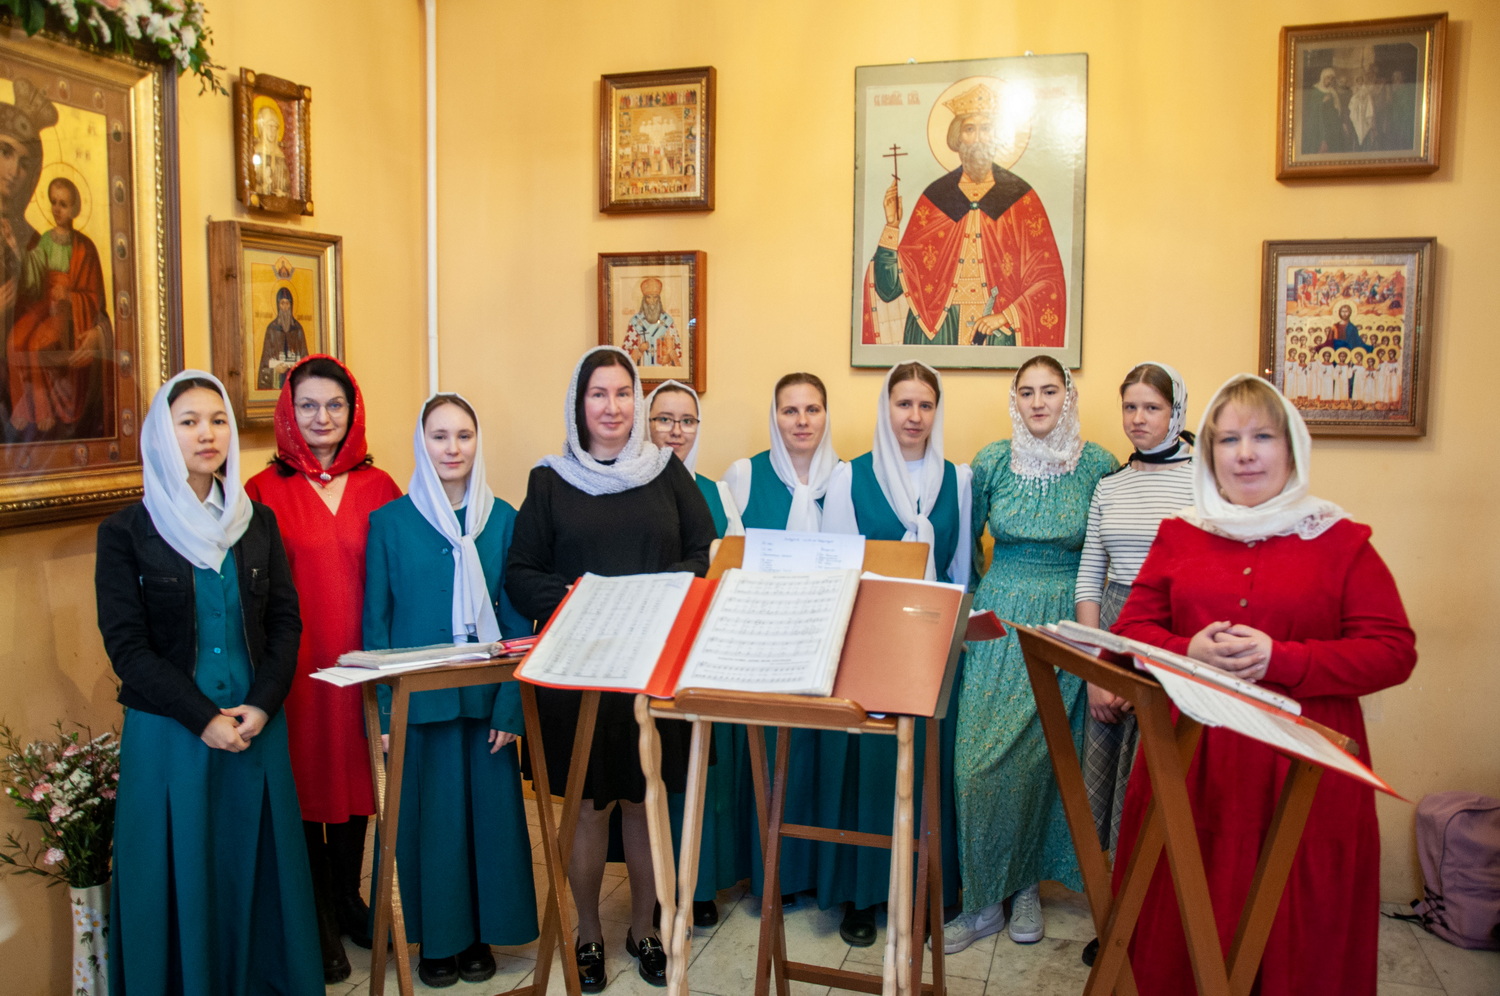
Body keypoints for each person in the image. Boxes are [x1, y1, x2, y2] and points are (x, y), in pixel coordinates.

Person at [1110, 374, 1416, 995]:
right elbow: (1130, 631)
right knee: (1187, 921)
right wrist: (1187, 650)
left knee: (1295, 942)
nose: (1245, 454)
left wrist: (1284, 659)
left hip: (1304, 770)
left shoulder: (1341, 541)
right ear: (1209, 455)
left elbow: (1392, 652)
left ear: (1292, 448)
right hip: (1194, 765)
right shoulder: (1179, 534)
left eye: (1263, 437)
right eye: (1228, 440)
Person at [95, 370, 321, 994]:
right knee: (179, 869)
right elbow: (127, 648)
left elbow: (285, 622)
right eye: (189, 422)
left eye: (218, 420)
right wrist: (203, 719)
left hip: (255, 729)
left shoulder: (257, 522)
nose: (207, 434)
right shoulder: (126, 533)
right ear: (161, 435)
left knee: (257, 865)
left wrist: (263, 704)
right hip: (171, 736)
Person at [506, 346, 716, 991]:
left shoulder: (665, 472)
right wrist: (581, 600)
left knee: (645, 799)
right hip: (581, 667)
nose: (612, 406)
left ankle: (645, 929)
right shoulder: (549, 480)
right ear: (579, 403)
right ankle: (589, 932)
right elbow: (521, 573)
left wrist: (653, 596)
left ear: (637, 402)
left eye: (624, 393)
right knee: (589, 804)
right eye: (598, 393)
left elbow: (704, 553)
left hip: (653, 662)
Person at [361, 392, 537, 989]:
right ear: (422, 443)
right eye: (439, 436)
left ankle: (482, 934)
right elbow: (376, 627)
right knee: (431, 825)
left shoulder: (503, 519)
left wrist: (511, 707)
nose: (452, 448)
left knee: (488, 824)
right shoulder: (390, 523)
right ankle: (437, 940)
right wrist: (386, 711)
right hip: (419, 703)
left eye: (463, 435)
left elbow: (517, 623)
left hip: (486, 700)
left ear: (477, 442)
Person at [942, 355, 1117, 953]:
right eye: (1026, 392)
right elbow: (966, 548)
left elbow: (1106, 552)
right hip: (999, 618)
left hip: (1068, 621)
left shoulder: (1098, 465)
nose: (1038, 402)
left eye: (1049, 391)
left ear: (1068, 397)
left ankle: (1023, 892)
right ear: (1014, 399)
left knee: (1043, 763)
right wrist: (970, 616)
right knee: (976, 763)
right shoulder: (992, 461)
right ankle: (980, 898)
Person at [244, 355, 402, 980]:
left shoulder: (380, 486)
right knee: (306, 784)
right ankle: (316, 917)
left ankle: (347, 897)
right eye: (307, 405)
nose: (322, 417)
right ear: (288, 412)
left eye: (335, 405)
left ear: (353, 411)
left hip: (363, 664)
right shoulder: (261, 490)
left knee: (360, 780)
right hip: (296, 670)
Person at [821, 361, 971, 945]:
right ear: (886, 408)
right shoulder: (849, 477)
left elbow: (960, 569)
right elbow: (838, 568)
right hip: (872, 641)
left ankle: (926, 889)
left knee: (929, 766)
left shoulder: (957, 479)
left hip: (934, 642)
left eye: (925, 405)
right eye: (904, 404)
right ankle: (863, 894)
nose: (914, 416)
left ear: (937, 411)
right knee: (874, 769)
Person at [1071, 362, 1195, 966]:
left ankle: (1164, 927)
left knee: (1159, 786)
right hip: (1115, 636)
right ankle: (1120, 922)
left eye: (1152, 407)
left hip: (1177, 638)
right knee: (1113, 789)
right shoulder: (1111, 486)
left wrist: (1160, 661)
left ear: (1177, 411)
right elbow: (1089, 577)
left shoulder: (1205, 480)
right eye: (1130, 407)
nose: (1138, 419)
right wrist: (1100, 669)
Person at [720, 372, 844, 905]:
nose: (801, 421)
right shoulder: (744, 474)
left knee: (821, 758)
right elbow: (729, 559)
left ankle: (821, 874)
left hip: (826, 636)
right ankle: (774, 876)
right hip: (766, 642)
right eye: (790, 410)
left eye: (812, 409)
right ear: (774, 416)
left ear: (826, 415)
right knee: (772, 758)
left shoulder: (845, 477)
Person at [645, 379, 749, 929]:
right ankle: (659, 886)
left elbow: (732, 567)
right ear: (646, 425)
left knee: (702, 770)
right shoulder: (631, 488)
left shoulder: (718, 492)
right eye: (664, 419)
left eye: (687, 421)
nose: (676, 432)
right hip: (654, 647)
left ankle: (700, 884)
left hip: (707, 647)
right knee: (659, 771)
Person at [864, 83, 1066, 347]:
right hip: (938, 333)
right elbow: (889, 287)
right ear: (957, 138)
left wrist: (1005, 316)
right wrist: (892, 225)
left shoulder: (1021, 199)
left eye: (986, 129)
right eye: (970, 129)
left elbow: (1049, 282)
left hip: (998, 334)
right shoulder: (936, 198)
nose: (979, 137)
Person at [7, 176, 111, 438]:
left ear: (75, 209)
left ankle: (42, 411)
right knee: (14, 340)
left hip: (68, 313)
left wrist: (70, 295)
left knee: (35, 345)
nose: (56, 209)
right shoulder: (44, 239)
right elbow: (32, 274)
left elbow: (94, 298)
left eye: (63, 204)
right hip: (45, 304)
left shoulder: (85, 248)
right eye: (53, 202)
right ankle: (23, 408)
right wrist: (16, 251)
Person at [621, 277, 682, 368]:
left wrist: (669, 357)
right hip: (642, 372)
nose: (652, 301)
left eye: (655, 297)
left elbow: (678, 348)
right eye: (648, 297)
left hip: (663, 371)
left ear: (659, 299)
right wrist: (639, 350)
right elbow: (625, 352)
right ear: (644, 299)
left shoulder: (667, 321)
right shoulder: (635, 321)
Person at [257, 287, 308, 390]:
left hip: (294, 378)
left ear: (291, 305)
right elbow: (265, 360)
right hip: (277, 377)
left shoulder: (297, 329)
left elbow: (304, 357)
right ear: (278, 305)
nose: (285, 307)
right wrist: (275, 369)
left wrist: (295, 366)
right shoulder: (272, 329)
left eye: (287, 303)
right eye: (282, 303)